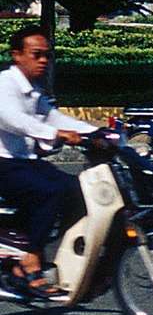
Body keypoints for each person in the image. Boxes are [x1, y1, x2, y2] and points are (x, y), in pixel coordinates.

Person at [0, 27, 89, 289]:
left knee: (78, 190)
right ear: (17, 55)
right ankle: (29, 260)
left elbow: (52, 116)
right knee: (52, 192)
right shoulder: (5, 84)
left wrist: (95, 132)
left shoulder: (33, 90)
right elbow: (15, 121)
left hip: (22, 161)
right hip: (3, 163)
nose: (43, 61)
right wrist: (56, 133)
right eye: (36, 55)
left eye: (47, 56)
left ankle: (46, 249)